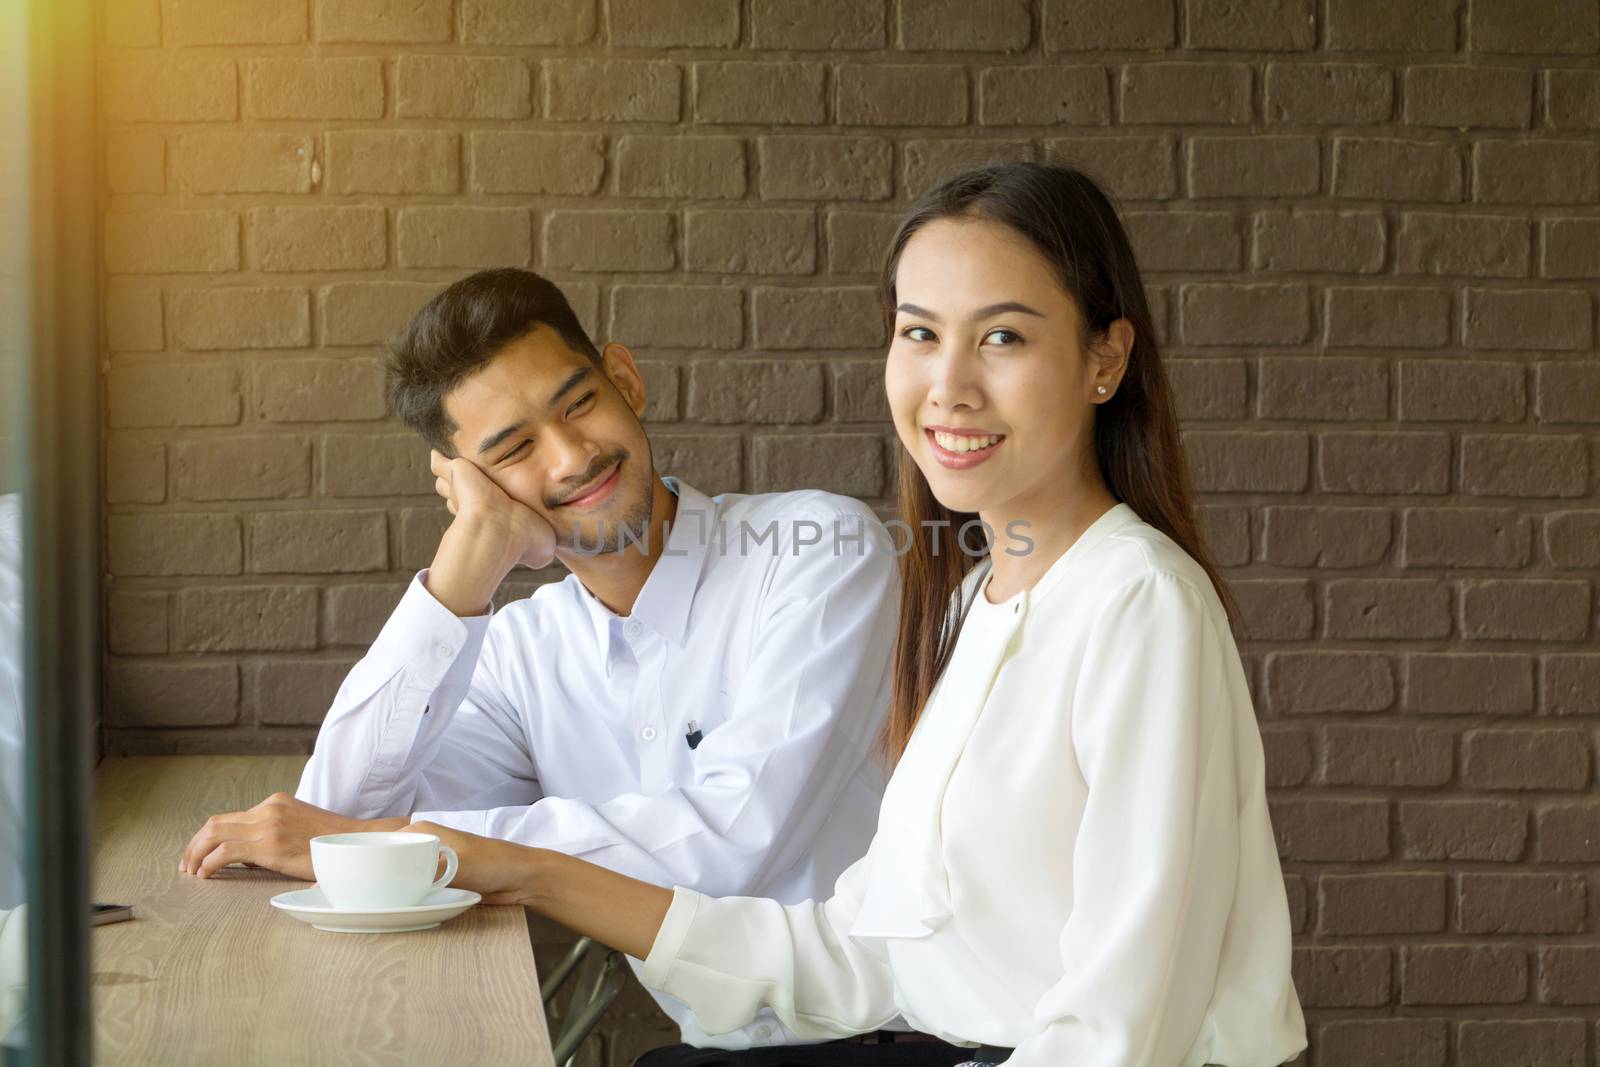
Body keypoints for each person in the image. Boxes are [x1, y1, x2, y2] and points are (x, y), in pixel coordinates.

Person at [405, 163, 1309, 1066]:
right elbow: (867, 950)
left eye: (1002, 337)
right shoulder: (971, 603)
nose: (949, 385)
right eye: (920, 333)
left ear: (1104, 359)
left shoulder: (1140, 604)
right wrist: (517, 867)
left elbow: (1119, 1031)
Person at [177, 269, 905, 1051]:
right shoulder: (526, 648)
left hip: (898, 1043)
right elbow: (340, 825)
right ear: (472, 486)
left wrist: (435, 846)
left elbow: (729, 847)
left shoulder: (817, 549)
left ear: (624, 378)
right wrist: (459, 581)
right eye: (515, 449)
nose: (570, 458)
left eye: (579, 403)